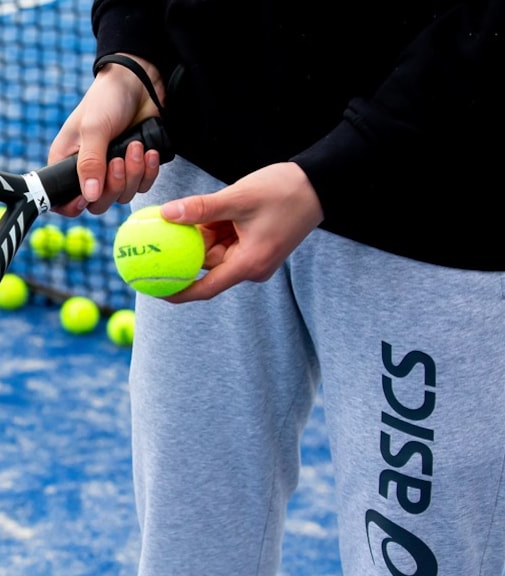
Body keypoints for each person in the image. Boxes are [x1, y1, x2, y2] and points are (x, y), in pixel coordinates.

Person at [48, 1, 505, 574]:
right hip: (204, 184)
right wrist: (132, 53)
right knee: (186, 557)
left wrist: (334, 167)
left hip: (434, 198)